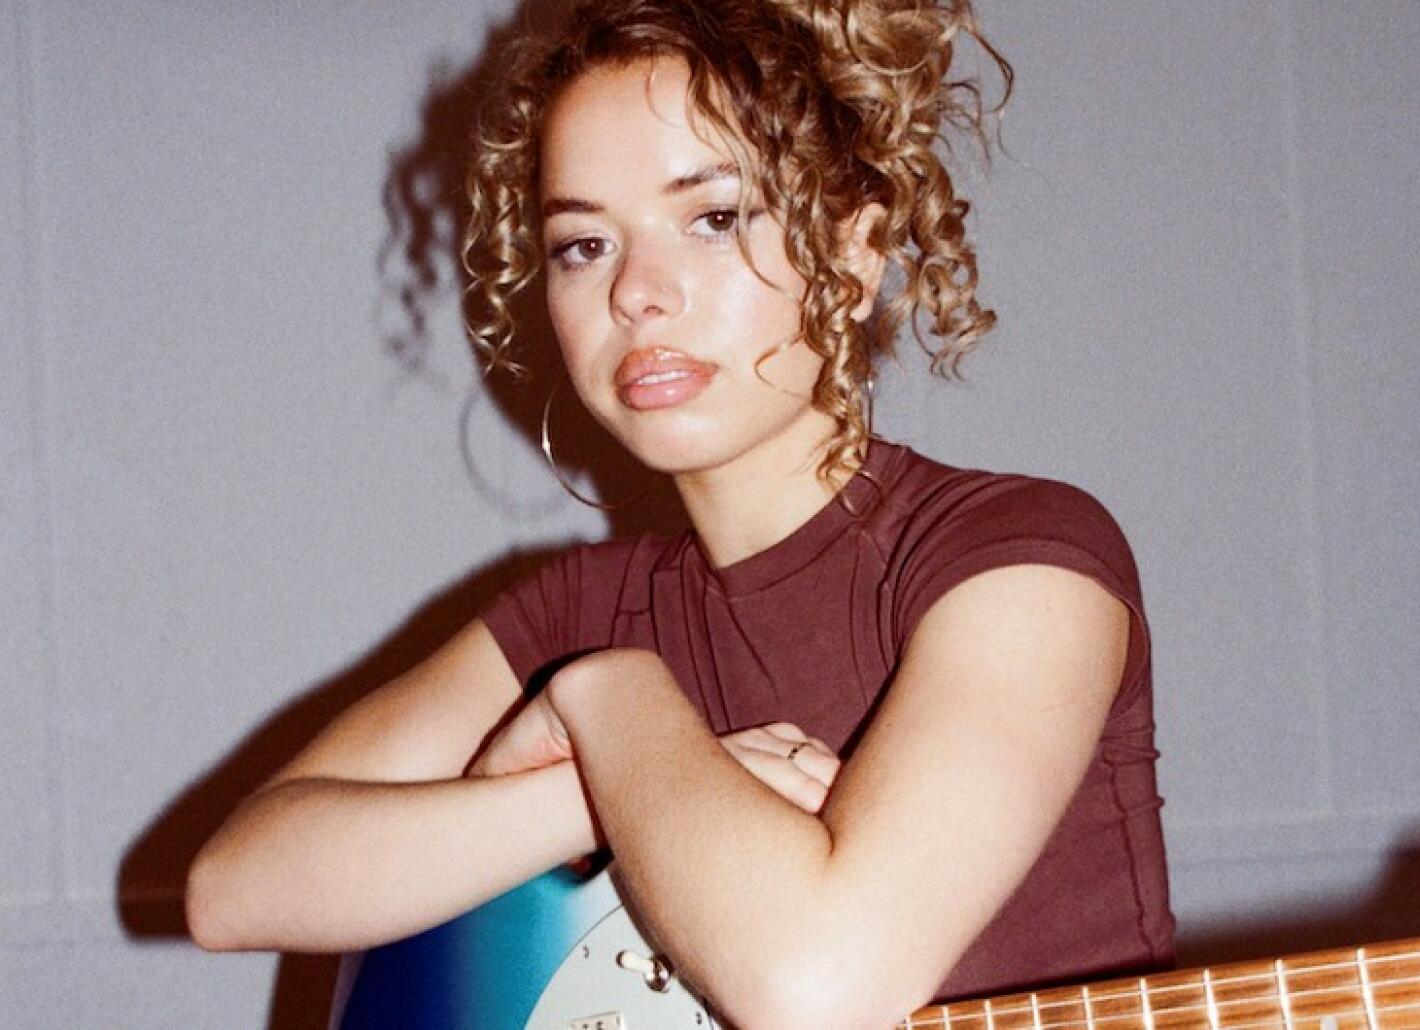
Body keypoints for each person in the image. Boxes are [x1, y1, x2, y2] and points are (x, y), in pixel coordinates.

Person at [187, 0, 1173, 1025]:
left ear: (852, 256)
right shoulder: (580, 610)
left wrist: (609, 700)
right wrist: (586, 795)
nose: (636, 294)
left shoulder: (1018, 560)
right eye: (583, 244)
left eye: (713, 218)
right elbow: (234, 886)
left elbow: (818, 985)